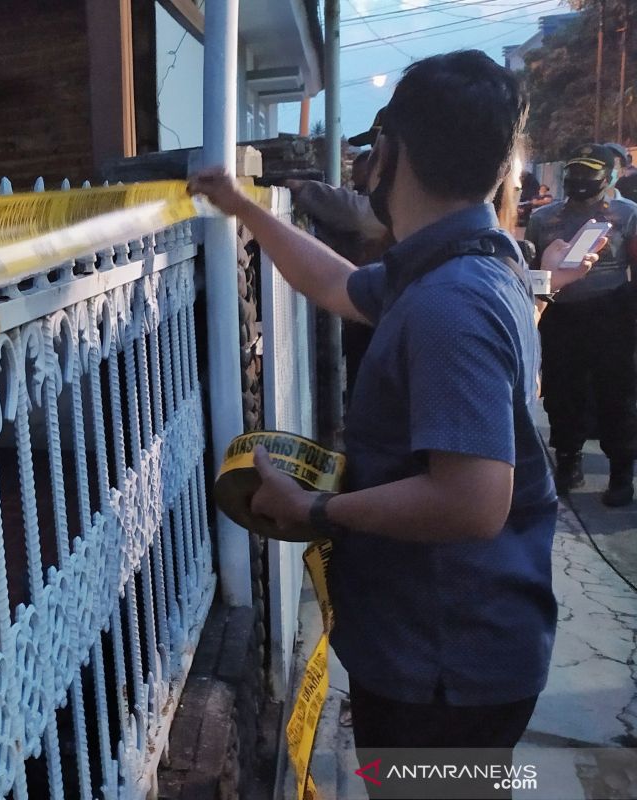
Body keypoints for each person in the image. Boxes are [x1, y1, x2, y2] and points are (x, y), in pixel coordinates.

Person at [190, 51, 566, 767]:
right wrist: (241, 208)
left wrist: (316, 512)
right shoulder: (457, 262)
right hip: (449, 648)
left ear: (390, 152)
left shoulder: (452, 301)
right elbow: (339, 286)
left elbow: (474, 500)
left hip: (445, 666)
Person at [526, 143, 637, 505]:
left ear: (608, 178)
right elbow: (535, 274)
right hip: (562, 316)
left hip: (612, 313)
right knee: (562, 392)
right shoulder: (544, 219)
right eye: (575, 173)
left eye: (589, 175)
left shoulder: (628, 214)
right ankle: (567, 461)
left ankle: (621, 470)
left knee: (616, 393)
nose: (580, 181)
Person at [285, 147, 392, 396]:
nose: (354, 184)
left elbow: (357, 214)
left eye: (360, 178)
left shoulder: (393, 210)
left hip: (375, 326)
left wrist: (304, 190)